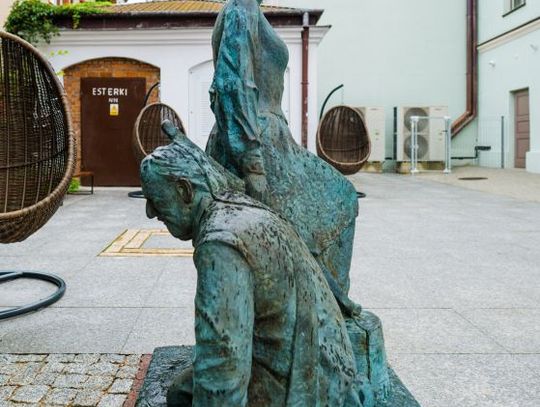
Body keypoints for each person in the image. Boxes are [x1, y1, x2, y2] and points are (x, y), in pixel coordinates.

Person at [140, 128, 362, 407]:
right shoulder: (240, 207)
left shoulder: (220, 244)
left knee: (182, 396)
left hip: (305, 388)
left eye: (154, 199)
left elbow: (222, 372)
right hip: (328, 375)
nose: (150, 212)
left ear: (184, 190)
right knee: (182, 389)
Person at [206, 0, 360, 316]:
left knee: (312, 218)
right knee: (341, 198)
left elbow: (219, 90)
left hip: (265, 139)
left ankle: (323, 303)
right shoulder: (242, 7)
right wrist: (252, 162)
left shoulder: (243, 9)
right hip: (260, 142)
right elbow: (232, 83)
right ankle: (327, 307)